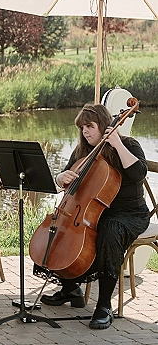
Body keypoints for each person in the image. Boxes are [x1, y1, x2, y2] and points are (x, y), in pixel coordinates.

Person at [38, 103, 150, 330]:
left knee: (110, 232)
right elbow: (64, 178)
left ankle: (104, 305)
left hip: (128, 214)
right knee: (60, 233)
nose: (85, 132)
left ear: (104, 125)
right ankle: (70, 289)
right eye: (82, 128)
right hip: (92, 213)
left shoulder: (128, 144)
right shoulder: (83, 151)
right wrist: (61, 178)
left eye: (89, 126)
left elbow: (139, 173)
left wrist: (117, 143)